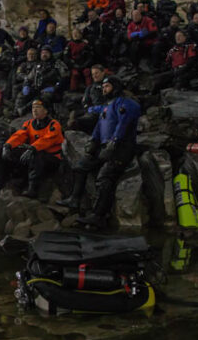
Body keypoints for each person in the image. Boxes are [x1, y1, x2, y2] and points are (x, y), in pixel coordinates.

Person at [57, 76, 140, 228]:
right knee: (81, 166)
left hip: (121, 147)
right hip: (103, 146)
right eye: (103, 87)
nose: (104, 89)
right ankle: (74, 199)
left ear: (115, 87)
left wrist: (114, 143)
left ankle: (98, 215)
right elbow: (100, 125)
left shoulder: (127, 103)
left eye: (107, 86)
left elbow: (124, 124)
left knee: (105, 177)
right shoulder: (107, 106)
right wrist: (93, 142)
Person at [2, 99, 64, 199]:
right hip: (34, 153)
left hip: (52, 158)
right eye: (33, 108)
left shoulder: (54, 125)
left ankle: (33, 189)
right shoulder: (29, 124)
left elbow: (47, 140)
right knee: (14, 151)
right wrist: (8, 145)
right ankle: (20, 178)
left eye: (38, 107)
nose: (34, 110)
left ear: (46, 110)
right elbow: (19, 135)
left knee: (36, 154)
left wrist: (32, 148)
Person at [17, 46, 67, 112]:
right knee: (21, 95)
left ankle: (25, 110)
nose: (44, 54)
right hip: (37, 88)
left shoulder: (57, 63)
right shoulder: (38, 64)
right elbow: (29, 77)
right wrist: (26, 85)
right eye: (42, 53)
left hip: (51, 89)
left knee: (43, 97)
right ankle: (16, 112)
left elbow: (65, 77)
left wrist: (55, 88)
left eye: (46, 53)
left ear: (50, 54)